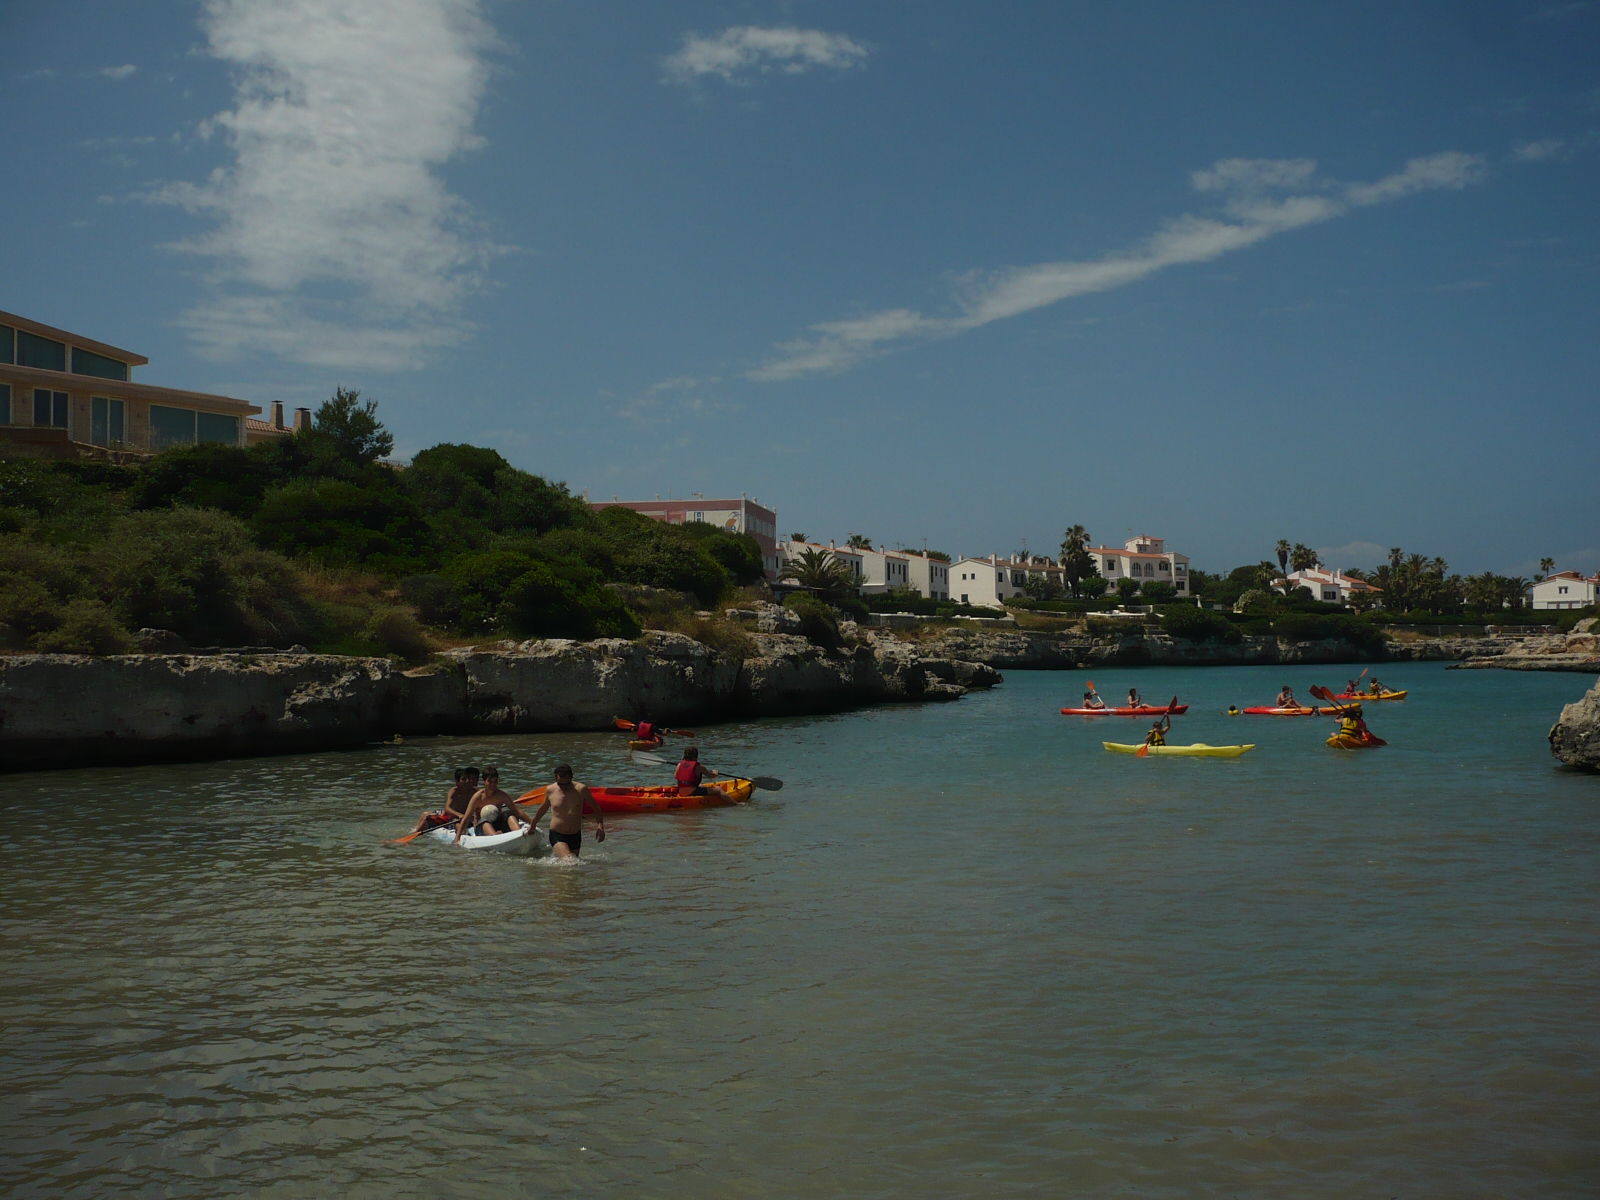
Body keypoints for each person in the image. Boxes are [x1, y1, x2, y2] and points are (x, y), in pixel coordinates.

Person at [524, 763, 604, 859]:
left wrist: (600, 826)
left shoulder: (581, 790)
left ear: (571, 777)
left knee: (574, 863)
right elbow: (543, 809)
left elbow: (595, 807)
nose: (563, 787)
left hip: (575, 835)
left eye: (566, 784)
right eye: (560, 784)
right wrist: (533, 825)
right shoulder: (551, 790)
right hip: (557, 834)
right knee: (569, 860)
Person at [454, 768, 532, 842]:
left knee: (509, 813)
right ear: (484, 781)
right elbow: (467, 818)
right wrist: (457, 838)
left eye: (495, 782)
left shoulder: (502, 795)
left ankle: (518, 833)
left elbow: (517, 811)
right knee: (484, 820)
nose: (493, 784)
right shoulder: (477, 797)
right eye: (490, 781)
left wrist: (532, 823)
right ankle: (494, 836)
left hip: (498, 826)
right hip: (482, 828)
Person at [413, 766, 479, 833]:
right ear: (457, 782)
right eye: (463, 779)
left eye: (468, 779)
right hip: (452, 816)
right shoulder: (454, 791)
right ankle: (415, 832)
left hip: (464, 817)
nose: (467, 781)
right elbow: (447, 808)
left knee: (425, 814)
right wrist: (459, 815)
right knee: (425, 815)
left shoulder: (475, 792)